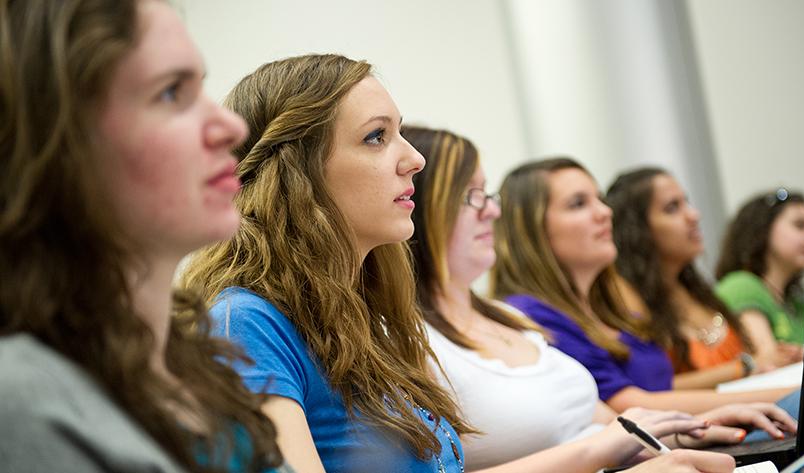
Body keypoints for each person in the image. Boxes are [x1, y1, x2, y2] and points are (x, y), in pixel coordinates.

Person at [0, 0, 289, 471]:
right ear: (60, 140)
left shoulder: (198, 370)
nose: (231, 127)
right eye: (173, 93)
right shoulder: (21, 403)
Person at [403, 126, 794, 472]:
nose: (493, 210)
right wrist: (745, 377)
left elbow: (614, 431)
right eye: (472, 196)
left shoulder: (509, 318)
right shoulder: (420, 336)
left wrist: (693, 429)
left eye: (487, 194)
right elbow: (612, 429)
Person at [180, 55, 472, 473]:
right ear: (298, 171)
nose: (414, 159)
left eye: (399, 132)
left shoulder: (362, 315)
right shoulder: (246, 324)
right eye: (376, 136)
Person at [491, 157, 797, 416]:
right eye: (578, 204)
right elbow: (634, 407)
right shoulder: (531, 314)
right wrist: (785, 393)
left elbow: (659, 391)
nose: (604, 212)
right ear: (530, 230)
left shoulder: (606, 307)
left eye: (599, 199)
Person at [605, 168, 799, 389]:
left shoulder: (697, 292)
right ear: (637, 231)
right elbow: (654, 390)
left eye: (686, 203)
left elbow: (756, 360)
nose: (693, 215)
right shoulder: (627, 301)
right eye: (672, 208)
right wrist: (744, 367)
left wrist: (778, 358)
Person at [716, 189, 804, 352]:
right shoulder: (741, 285)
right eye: (800, 226)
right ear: (762, 229)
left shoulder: (798, 304)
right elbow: (768, 360)